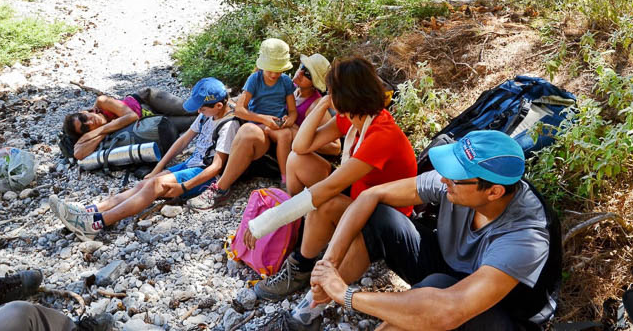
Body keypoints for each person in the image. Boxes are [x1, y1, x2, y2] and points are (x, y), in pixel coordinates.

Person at [290, 130, 557, 330]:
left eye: (455, 176)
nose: (443, 179)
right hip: (452, 270)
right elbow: (371, 195)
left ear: (494, 192)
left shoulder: (526, 237)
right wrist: (329, 268)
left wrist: (347, 295)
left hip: (503, 314)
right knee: (379, 217)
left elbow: (449, 310)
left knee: (434, 293)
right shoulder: (461, 185)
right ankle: (311, 307)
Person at [243, 57, 417, 303]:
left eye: (331, 91)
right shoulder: (354, 117)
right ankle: (306, 232)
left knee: (323, 202)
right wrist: (324, 103)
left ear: (346, 97)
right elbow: (300, 146)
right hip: (360, 196)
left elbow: (329, 188)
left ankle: (301, 266)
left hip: (385, 220)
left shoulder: (381, 135)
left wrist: (264, 223)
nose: (327, 94)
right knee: (297, 160)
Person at [50, 78, 240, 241]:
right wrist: (157, 170)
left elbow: (217, 166)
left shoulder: (228, 125)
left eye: (201, 108)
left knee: (154, 186)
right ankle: (89, 211)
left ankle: (95, 223)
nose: (198, 112)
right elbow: (182, 141)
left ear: (218, 106)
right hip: (191, 163)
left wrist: (183, 187)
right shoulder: (207, 115)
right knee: (144, 183)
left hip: (204, 175)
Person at [188, 38, 298, 210]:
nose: (274, 75)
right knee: (247, 130)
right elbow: (240, 110)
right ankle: (220, 189)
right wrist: (264, 119)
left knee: (284, 134)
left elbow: (292, 111)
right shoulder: (255, 79)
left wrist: (288, 120)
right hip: (258, 129)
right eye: (271, 70)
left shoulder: (285, 82)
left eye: (278, 70)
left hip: (277, 129)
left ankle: (286, 181)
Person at [63, 87, 196, 160]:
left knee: (192, 109)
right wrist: (101, 133)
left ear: (83, 111)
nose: (89, 121)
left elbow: (132, 116)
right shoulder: (99, 133)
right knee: (195, 121)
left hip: (148, 101)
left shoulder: (102, 102)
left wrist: (99, 131)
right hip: (155, 122)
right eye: (85, 127)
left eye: (83, 117)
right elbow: (79, 154)